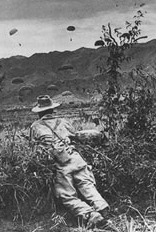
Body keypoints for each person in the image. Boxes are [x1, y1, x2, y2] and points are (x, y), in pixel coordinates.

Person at [29, 95, 108, 228]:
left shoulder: (35, 126)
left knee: (66, 195)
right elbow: (75, 137)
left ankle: (89, 214)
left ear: (39, 112)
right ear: (52, 109)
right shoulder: (64, 121)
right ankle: (102, 207)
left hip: (60, 163)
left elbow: (34, 151)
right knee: (87, 185)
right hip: (76, 158)